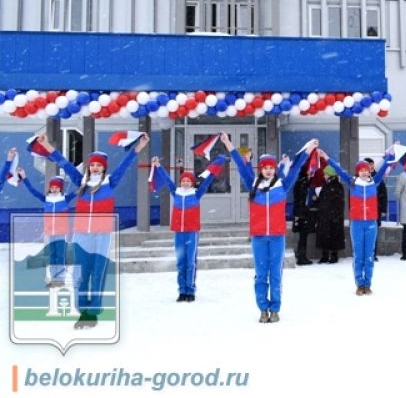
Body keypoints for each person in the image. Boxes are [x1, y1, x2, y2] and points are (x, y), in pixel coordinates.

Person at [38, 132, 149, 328]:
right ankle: (82, 310)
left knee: (98, 272)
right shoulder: (80, 182)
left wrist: (138, 147)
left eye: (99, 165)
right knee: (81, 273)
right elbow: (63, 162)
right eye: (92, 164)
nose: (95, 167)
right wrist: (47, 145)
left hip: (102, 234)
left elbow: (125, 164)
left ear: (104, 167)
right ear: (88, 166)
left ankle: (93, 312)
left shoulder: (110, 182)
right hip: (82, 234)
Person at [222, 133, 315, 323]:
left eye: (272, 168)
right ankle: (263, 308)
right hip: (259, 237)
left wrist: (308, 150)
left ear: (275, 169)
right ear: (261, 169)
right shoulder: (253, 184)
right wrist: (228, 143)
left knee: (276, 275)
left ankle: (275, 309)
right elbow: (240, 164)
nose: (269, 170)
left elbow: (296, 168)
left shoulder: (283, 185)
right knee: (261, 275)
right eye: (265, 168)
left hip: (277, 236)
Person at [321, 149, 393, 295]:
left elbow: (385, 166)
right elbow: (338, 170)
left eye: (366, 170)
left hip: (371, 223)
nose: (364, 173)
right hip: (357, 224)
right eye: (361, 171)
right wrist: (326, 157)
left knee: (369, 255)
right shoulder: (352, 183)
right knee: (359, 255)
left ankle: (368, 284)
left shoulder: (375, 182)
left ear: (369, 171)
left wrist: (390, 155)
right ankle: (360, 284)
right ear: (358, 172)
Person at [152, 155, 222, 302]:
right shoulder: (176, 192)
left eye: (188, 181)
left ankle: (190, 290)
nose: (185, 183)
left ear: (192, 183)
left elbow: (208, 180)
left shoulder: (196, 194)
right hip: (179, 232)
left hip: (191, 232)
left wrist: (216, 166)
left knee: (190, 262)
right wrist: (158, 166)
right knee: (180, 262)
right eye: (183, 180)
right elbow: (167, 180)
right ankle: (182, 290)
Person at [18, 169, 75, 287]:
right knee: (52, 255)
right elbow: (33, 191)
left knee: (60, 256)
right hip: (50, 232)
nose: (54, 189)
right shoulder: (46, 199)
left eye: (56, 187)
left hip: (61, 233)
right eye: (52, 187)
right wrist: (24, 178)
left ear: (60, 189)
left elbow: (78, 192)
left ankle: (60, 279)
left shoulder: (64, 199)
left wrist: (86, 183)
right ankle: (54, 279)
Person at [315, 165, 345, 264]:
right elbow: (323, 199)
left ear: (330, 174)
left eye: (325, 174)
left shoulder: (337, 186)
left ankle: (334, 255)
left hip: (333, 216)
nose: (324, 176)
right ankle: (325, 255)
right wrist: (317, 200)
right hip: (325, 215)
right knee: (325, 236)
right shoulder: (326, 185)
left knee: (334, 236)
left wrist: (336, 215)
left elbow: (339, 202)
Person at [292, 163, 320, 266]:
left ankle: (302, 255)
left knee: (304, 236)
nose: (311, 172)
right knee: (303, 236)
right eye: (309, 171)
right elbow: (301, 198)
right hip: (302, 213)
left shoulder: (304, 182)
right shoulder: (302, 183)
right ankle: (301, 256)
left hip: (303, 212)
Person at [364, 157, 388, 262]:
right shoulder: (359, 178)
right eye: (369, 165)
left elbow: (383, 194)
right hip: (363, 210)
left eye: (372, 165)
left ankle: (372, 254)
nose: (371, 167)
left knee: (373, 233)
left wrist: (383, 209)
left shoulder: (378, 177)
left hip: (375, 209)